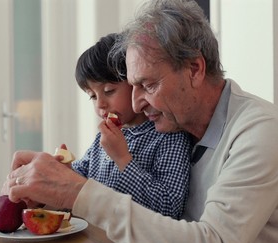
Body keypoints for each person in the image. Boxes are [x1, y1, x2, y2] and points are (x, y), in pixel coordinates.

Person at [3, 0, 278, 243]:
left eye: (149, 85)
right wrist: (53, 190)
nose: (138, 103)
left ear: (195, 69)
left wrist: (76, 192)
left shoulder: (260, 133)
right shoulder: (178, 129)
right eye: (132, 87)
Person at [70, 33, 192, 219]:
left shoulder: (169, 136)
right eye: (93, 96)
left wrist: (122, 159)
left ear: (135, 82)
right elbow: (82, 173)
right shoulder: (104, 138)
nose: (100, 104)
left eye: (109, 91)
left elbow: (169, 208)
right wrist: (62, 169)